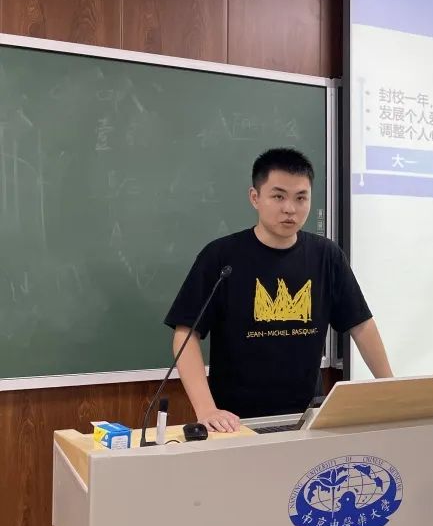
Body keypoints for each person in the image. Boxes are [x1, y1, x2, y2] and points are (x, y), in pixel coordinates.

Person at [164, 148, 393, 432]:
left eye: (301, 198)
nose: (290, 209)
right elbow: (186, 334)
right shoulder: (221, 256)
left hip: (308, 418)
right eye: (278, 196)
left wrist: (391, 391)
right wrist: (206, 409)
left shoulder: (326, 256)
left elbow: (361, 325)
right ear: (255, 198)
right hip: (235, 422)